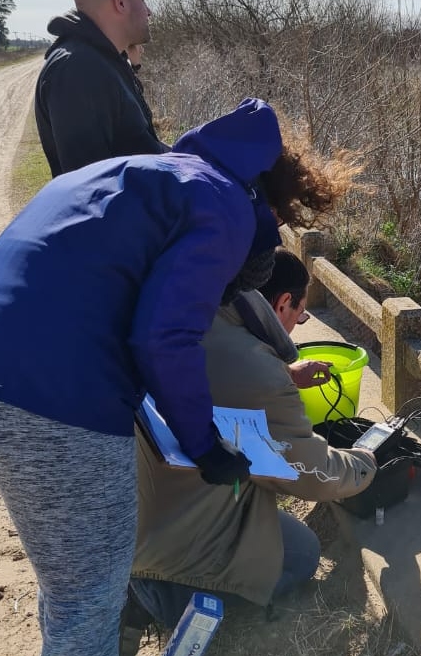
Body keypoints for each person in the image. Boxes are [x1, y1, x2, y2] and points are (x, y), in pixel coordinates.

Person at [0, 97, 335, 656]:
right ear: (272, 201)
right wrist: (204, 444)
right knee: (90, 597)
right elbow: (164, 337)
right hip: (55, 396)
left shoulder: (149, 172)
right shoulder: (227, 204)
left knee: (72, 582)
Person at [127, 249, 378, 648]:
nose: (297, 325)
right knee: (302, 552)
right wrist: (367, 462)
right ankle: (175, 602)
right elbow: (311, 475)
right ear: (282, 303)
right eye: (300, 314)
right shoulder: (257, 373)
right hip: (174, 554)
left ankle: (140, 592)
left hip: (129, 523)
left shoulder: (186, 315)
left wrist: (283, 373)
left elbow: (220, 379)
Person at [35, 0, 167, 176]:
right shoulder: (78, 69)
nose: (149, 11)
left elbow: (135, 145)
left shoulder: (104, 60)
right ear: (121, 1)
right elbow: (91, 184)